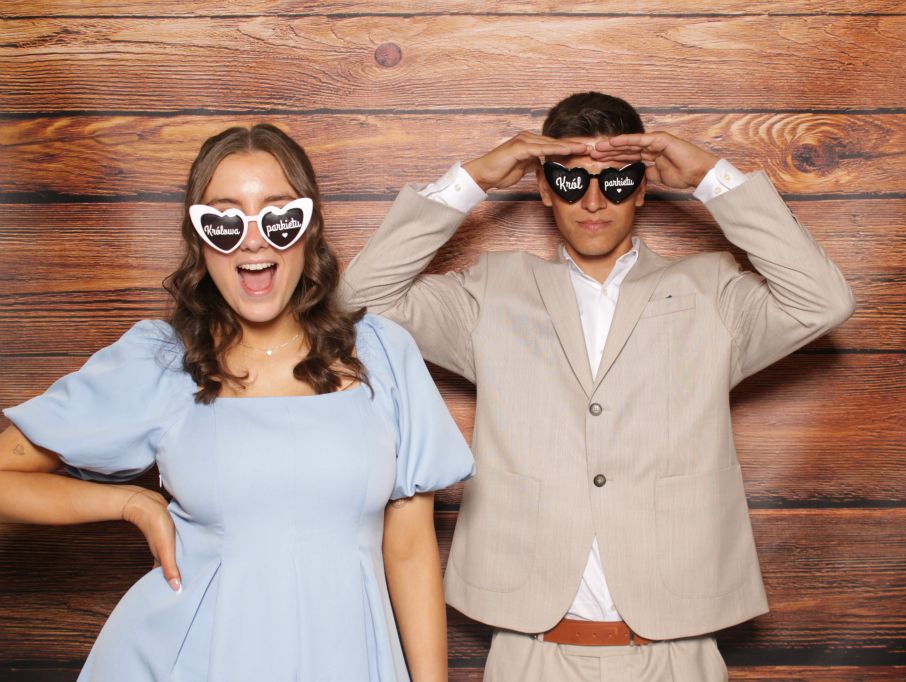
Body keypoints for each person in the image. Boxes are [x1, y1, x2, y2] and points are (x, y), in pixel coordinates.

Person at [340, 92, 856, 681]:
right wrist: (472, 180)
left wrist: (712, 179)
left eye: (615, 182)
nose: (592, 201)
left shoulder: (712, 292)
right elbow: (357, 299)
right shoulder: (491, 293)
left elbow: (823, 301)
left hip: (676, 654)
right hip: (531, 653)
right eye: (570, 183)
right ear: (543, 188)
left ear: (641, 188)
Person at [0, 123, 473, 682]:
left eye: (278, 217)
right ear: (199, 239)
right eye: (224, 222)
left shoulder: (383, 354)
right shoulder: (160, 363)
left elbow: (411, 548)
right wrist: (132, 503)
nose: (253, 241)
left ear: (310, 229)